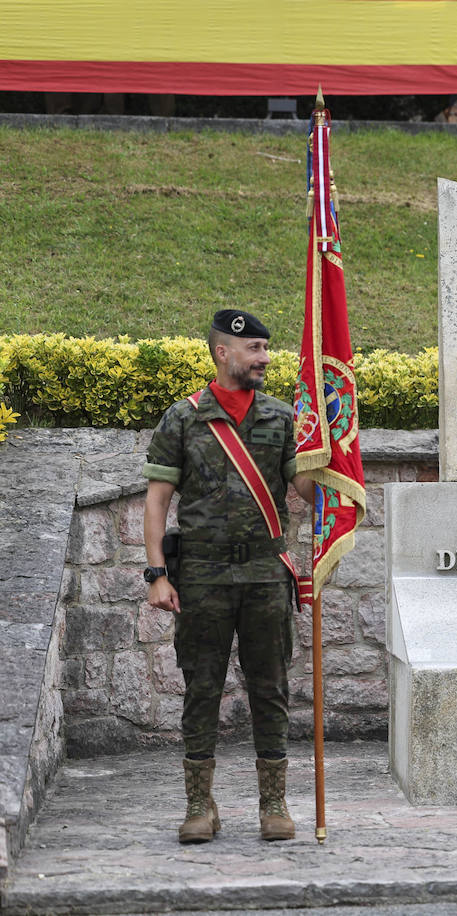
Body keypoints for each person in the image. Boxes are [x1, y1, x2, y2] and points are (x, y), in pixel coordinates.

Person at [142, 309, 314, 843]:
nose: (265, 359)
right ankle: (200, 805)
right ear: (223, 352)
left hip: (265, 573)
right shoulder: (183, 418)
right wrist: (156, 574)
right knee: (202, 688)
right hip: (203, 576)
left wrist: (325, 451)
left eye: (266, 349)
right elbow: (157, 501)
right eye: (255, 349)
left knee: (271, 688)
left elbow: (307, 494)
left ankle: (274, 804)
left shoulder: (282, 418)